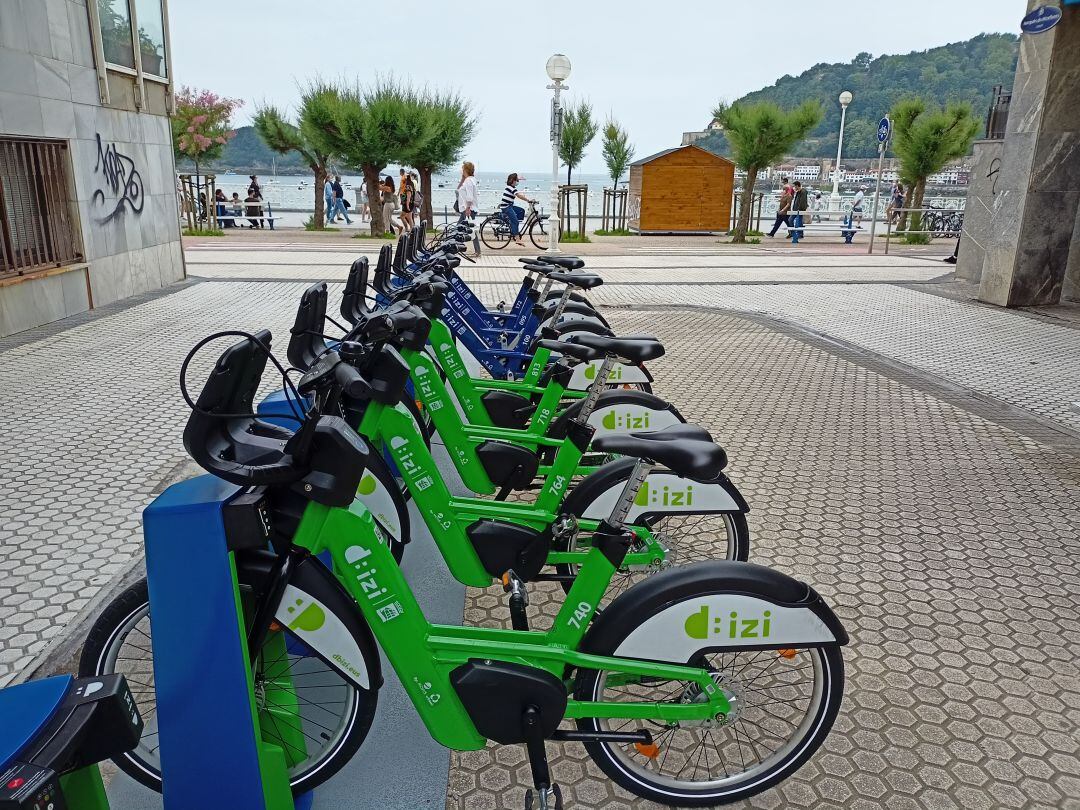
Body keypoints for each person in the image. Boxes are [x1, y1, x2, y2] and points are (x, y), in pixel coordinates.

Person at [498, 173, 535, 245]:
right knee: (516, 222)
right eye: (517, 180)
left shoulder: (510, 188)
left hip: (509, 206)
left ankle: (514, 231)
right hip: (506, 207)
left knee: (521, 211)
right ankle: (517, 239)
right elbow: (519, 196)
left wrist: (525, 197)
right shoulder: (511, 188)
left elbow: (518, 194)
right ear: (513, 181)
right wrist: (528, 200)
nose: (518, 181)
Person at [457, 161, 481, 257]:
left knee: (460, 228)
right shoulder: (469, 180)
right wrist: (462, 179)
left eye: (463, 169)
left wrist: (467, 208)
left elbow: (470, 197)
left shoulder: (469, 181)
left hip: (468, 209)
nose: (461, 170)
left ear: (466, 170)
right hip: (467, 209)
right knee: (471, 229)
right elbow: (458, 189)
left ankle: (457, 248)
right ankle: (477, 251)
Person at [399, 169, 414, 233]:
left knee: (403, 216)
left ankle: (407, 228)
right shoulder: (412, 184)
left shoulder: (408, 186)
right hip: (411, 203)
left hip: (408, 203)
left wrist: (407, 205)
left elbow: (408, 196)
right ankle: (411, 229)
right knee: (409, 217)